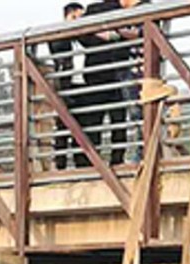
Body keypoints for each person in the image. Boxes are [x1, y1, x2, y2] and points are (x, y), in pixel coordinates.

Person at [78, 0, 146, 165]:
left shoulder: (136, 8)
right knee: (96, 119)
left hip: (118, 71)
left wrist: (111, 34)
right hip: (99, 72)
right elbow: (82, 34)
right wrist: (109, 37)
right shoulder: (97, 9)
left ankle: (114, 161)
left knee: (118, 119)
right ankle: (94, 162)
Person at [48, 3, 92, 169]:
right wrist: (72, 29)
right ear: (72, 14)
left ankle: (81, 163)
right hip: (66, 84)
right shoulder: (59, 34)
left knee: (82, 125)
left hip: (83, 84)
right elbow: (57, 48)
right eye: (80, 15)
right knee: (63, 124)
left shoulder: (84, 37)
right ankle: (60, 164)